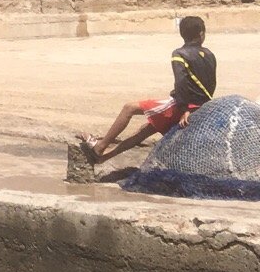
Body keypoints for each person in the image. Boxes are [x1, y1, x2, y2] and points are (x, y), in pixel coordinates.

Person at [82, 15, 218, 164]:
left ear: (182, 34)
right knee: (145, 130)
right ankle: (104, 158)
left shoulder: (179, 54)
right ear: (201, 34)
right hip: (203, 104)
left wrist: (185, 109)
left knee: (129, 108)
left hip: (183, 106)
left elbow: (181, 83)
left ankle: (100, 147)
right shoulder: (210, 54)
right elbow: (211, 84)